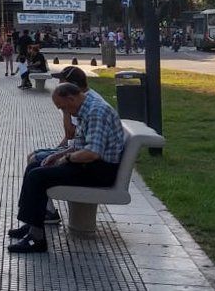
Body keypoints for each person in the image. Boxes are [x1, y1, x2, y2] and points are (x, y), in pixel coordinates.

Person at [7, 82, 126, 253]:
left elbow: (93, 152)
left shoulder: (95, 112)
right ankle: (33, 224)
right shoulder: (87, 109)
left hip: (100, 170)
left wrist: (67, 158)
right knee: (35, 165)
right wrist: (57, 155)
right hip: (90, 164)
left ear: (71, 98)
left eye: (63, 107)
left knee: (37, 177)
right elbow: (80, 143)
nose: (65, 112)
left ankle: (37, 239)